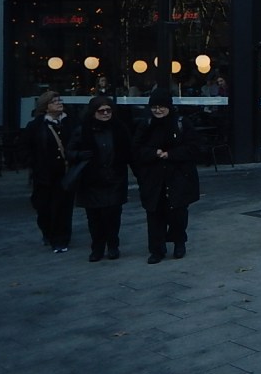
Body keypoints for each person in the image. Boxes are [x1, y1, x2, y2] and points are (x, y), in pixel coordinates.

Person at [133, 89, 202, 264]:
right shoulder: (146, 125)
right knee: (154, 214)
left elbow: (194, 148)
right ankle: (157, 249)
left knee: (178, 213)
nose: (158, 110)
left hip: (178, 176)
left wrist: (171, 154)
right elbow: (136, 149)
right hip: (153, 178)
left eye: (161, 107)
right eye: (154, 107)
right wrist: (153, 153)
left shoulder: (181, 123)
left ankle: (179, 243)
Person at [66, 96, 132, 261]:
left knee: (113, 216)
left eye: (108, 110)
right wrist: (81, 155)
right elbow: (70, 152)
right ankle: (97, 247)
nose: (105, 114)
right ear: (93, 112)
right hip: (91, 180)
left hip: (114, 178)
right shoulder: (83, 130)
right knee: (94, 218)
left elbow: (129, 151)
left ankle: (113, 246)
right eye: (101, 111)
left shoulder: (119, 128)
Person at [24, 90, 76, 252]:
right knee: (44, 207)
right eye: (54, 101)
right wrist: (34, 165)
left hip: (65, 173)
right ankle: (48, 232)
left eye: (59, 100)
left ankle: (61, 239)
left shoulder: (70, 123)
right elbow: (26, 148)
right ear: (45, 106)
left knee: (64, 207)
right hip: (44, 174)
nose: (59, 103)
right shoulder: (36, 126)